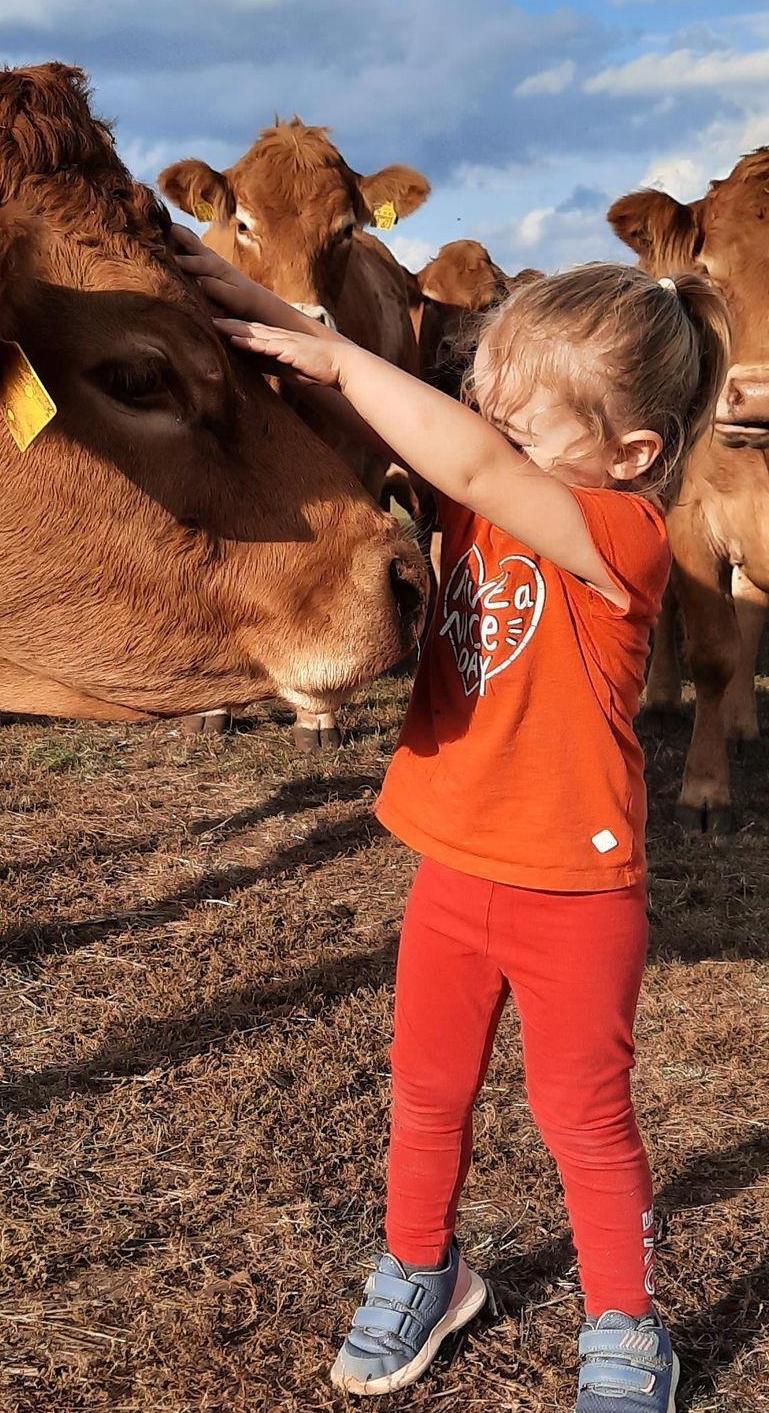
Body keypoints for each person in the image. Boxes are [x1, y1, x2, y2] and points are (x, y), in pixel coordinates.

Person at [175, 225, 729, 1413]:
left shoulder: (621, 535)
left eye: (523, 426)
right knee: (425, 1086)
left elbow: (467, 461)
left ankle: (626, 1323)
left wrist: (336, 358)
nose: (486, 432)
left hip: (572, 890)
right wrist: (249, 300)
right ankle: (424, 1267)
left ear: (631, 452)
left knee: (581, 1116)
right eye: (486, 406)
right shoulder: (487, 487)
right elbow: (413, 430)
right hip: (453, 866)